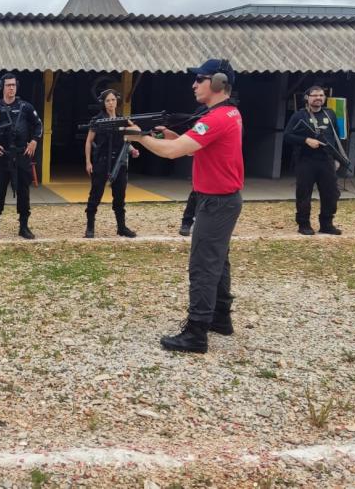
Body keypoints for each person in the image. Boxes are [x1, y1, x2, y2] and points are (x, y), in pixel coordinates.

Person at [125, 58, 243, 354]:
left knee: (203, 265)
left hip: (216, 201)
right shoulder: (228, 113)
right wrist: (175, 137)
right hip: (222, 200)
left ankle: (196, 332)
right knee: (218, 261)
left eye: (200, 79)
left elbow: (173, 152)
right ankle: (220, 318)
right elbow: (193, 148)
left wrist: (140, 137)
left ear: (218, 83)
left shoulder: (215, 118)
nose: (194, 85)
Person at [0, 73, 43, 240]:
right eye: (8, 85)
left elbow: (38, 125)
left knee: (24, 192)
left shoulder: (25, 107)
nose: (11, 88)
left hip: (21, 155)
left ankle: (24, 226)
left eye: (14, 85)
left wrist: (34, 141)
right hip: (3, 157)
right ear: (2, 87)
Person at [283, 86, 342, 235]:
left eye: (321, 95)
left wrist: (337, 158)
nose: (318, 98)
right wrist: (306, 140)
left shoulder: (330, 114)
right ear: (307, 98)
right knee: (304, 194)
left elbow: (336, 138)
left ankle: (327, 224)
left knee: (331, 193)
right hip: (306, 160)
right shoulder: (299, 116)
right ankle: (304, 224)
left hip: (326, 160)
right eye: (314, 95)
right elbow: (287, 136)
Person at [83, 88, 139, 238]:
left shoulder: (122, 119)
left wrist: (132, 149)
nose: (111, 103)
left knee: (120, 196)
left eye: (113, 100)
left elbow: (133, 132)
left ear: (117, 101)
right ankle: (90, 228)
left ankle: (121, 227)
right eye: (108, 100)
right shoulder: (97, 119)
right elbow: (88, 141)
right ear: (104, 103)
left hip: (119, 162)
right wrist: (88, 162)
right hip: (101, 161)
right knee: (95, 195)